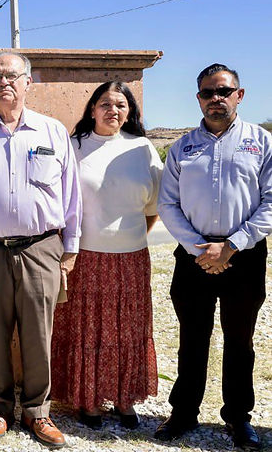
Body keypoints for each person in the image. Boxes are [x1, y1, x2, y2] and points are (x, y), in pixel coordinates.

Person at [0, 51, 81, 449]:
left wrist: (70, 247)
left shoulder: (53, 132)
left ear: (28, 83)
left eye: (13, 75)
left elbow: (73, 194)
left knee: (39, 334)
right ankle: (0, 409)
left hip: (42, 248)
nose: (5, 82)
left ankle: (37, 411)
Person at [155, 63, 270, 450]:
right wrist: (198, 248)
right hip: (194, 257)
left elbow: (271, 201)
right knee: (192, 338)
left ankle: (239, 419)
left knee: (240, 340)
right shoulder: (182, 147)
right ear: (198, 98)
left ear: (239, 94)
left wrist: (233, 244)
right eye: (207, 92)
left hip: (245, 256)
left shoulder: (261, 143)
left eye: (223, 91)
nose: (215, 99)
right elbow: (168, 203)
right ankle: (183, 414)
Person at [50, 82, 162, 430]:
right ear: (92, 110)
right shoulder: (74, 147)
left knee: (128, 330)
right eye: (104, 104)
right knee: (89, 330)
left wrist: (129, 238)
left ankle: (125, 398)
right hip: (84, 256)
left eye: (121, 104)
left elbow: (153, 206)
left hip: (131, 257)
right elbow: (60, 203)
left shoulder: (142, 149)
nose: (113, 110)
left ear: (130, 112)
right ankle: (90, 400)